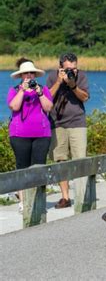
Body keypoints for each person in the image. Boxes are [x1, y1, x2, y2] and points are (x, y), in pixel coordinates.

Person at [7, 58, 53, 213]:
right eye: (25, 74)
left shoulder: (43, 89)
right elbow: (14, 106)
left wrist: (38, 92)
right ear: (21, 76)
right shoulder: (14, 90)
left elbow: (48, 107)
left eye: (31, 73)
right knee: (22, 166)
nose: (28, 76)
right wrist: (22, 90)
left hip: (41, 134)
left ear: (35, 75)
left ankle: (38, 200)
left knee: (39, 167)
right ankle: (23, 201)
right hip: (19, 135)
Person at [46, 53, 89, 209]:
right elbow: (47, 97)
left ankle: (82, 195)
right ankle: (65, 197)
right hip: (57, 124)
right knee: (60, 160)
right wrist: (59, 81)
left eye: (74, 68)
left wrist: (73, 85)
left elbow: (84, 97)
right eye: (68, 69)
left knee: (80, 159)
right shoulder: (52, 77)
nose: (72, 71)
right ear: (61, 67)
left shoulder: (81, 76)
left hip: (78, 122)